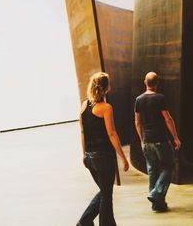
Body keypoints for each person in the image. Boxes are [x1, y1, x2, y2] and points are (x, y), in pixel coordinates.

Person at [77, 72, 129, 226]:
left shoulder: (84, 105)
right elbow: (112, 133)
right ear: (107, 88)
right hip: (104, 157)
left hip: (90, 157)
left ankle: (85, 221)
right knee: (106, 195)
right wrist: (123, 157)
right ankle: (89, 221)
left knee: (105, 192)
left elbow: (82, 132)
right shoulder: (106, 108)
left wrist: (84, 154)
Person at [134, 72, 181, 212]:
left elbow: (137, 122)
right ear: (157, 83)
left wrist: (142, 139)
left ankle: (157, 204)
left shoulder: (138, 99)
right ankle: (156, 193)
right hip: (161, 139)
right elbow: (168, 119)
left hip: (147, 141)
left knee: (152, 171)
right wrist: (176, 138)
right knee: (169, 166)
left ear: (145, 82)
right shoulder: (160, 98)